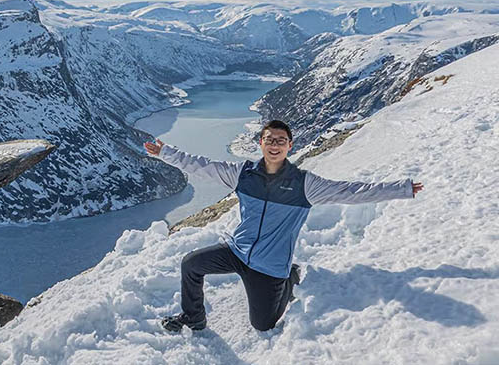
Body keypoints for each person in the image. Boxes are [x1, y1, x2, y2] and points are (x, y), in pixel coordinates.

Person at [144, 119, 423, 333]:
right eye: (269, 140)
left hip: (269, 266)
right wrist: (165, 152)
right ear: (261, 143)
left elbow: (353, 192)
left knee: (262, 325)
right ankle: (194, 317)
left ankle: (289, 277)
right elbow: (201, 165)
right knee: (191, 264)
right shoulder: (243, 174)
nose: (274, 145)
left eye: (281, 140)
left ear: (290, 145)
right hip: (237, 250)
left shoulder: (305, 184)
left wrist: (402, 188)